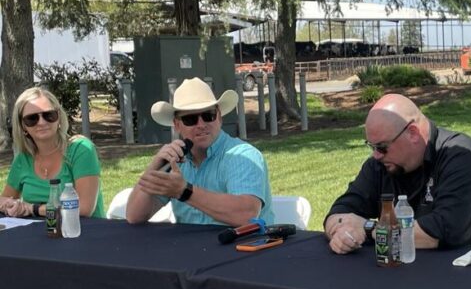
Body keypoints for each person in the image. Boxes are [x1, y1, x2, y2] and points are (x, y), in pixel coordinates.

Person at [325, 93, 471, 254]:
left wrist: (367, 228)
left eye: (382, 147)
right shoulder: (381, 164)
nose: (376, 155)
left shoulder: (463, 157)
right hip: (414, 273)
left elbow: (441, 232)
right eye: (372, 147)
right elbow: (339, 211)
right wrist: (342, 230)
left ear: (413, 133)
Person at [125, 77, 274, 226]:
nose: (201, 124)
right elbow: (134, 215)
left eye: (208, 115)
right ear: (177, 125)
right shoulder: (176, 160)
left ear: (219, 118)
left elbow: (246, 215)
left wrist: (184, 191)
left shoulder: (243, 155)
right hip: (190, 247)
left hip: (243, 246)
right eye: (190, 119)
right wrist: (155, 166)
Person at [0, 87, 105, 217]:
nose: (42, 122)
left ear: (59, 118)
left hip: (84, 233)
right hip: (37, 234)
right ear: (22, 126)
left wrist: (34, 208)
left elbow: (83, 208)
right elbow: (4, 199)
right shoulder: (23, 159)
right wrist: (11, 205)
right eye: (32, 119)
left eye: (49, 115)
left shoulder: (81, 149)